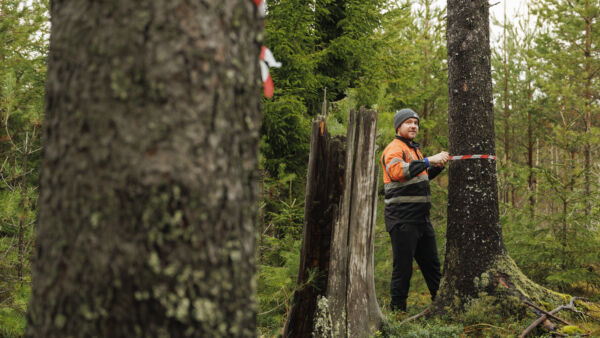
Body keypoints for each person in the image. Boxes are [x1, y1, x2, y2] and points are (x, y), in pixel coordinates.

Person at [380, 108, 449, 312]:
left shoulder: (413, 150)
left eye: (416, 123)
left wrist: (437, 166)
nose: (413, 126)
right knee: (403, 269)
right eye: (408, 122)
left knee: (433, 266)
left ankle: (442, 310)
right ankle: (398, 314)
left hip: (421, 220)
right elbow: (397, 172)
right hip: (402, 220)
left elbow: (419, 176)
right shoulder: (394, 148)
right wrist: (429, 160)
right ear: (398, 126)